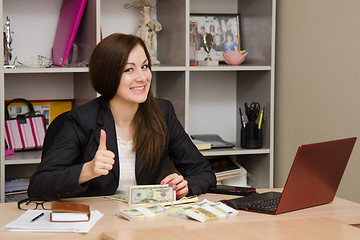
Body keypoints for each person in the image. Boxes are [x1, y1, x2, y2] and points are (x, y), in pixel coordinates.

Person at [27, 33, 216, 200]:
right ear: (108, 75)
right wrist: (87, 170)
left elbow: (203, 172)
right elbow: (39, 185)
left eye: (145, 66)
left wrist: (186, 186)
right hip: (97, 221)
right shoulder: (82, 119)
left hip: (143, 220)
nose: (142, 77)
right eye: (129, 70)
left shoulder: (162, 112)